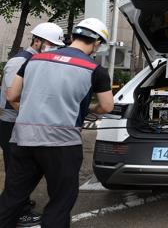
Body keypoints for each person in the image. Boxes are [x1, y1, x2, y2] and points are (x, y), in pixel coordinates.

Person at [0, 18, 114, 228]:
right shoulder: (94, 69)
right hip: (62, 145)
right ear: (96, 43)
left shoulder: (34, 60)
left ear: (73, 36)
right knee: (60, 202)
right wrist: (90, 110)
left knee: (13, 197)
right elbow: (107, 106)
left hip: (23, 139)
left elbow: (12, 95)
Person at [0, 22, 64, 227]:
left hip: (23, 123)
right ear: (37, 41)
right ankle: (20, 213)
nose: (53, 47)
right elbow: (12, 96)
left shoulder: (36, 60)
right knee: (16, 171)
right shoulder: (20, 61)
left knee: (22, 169)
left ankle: (20, 205)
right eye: (50, 43)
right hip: (10, 123)